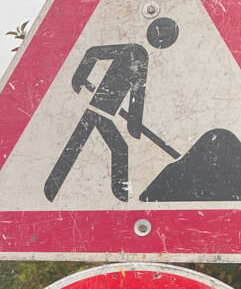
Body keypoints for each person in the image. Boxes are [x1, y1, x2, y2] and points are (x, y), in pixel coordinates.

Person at [44, 17, 179, 203]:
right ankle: (54, 188)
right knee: (94, 146)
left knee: (86, 145)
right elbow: (93, 52)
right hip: (96, 108)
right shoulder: (134, 51)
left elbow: (137, 94)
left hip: (105, 112)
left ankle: (53, 187)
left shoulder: (142, 57)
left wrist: (134, 124)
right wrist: (79, 79)